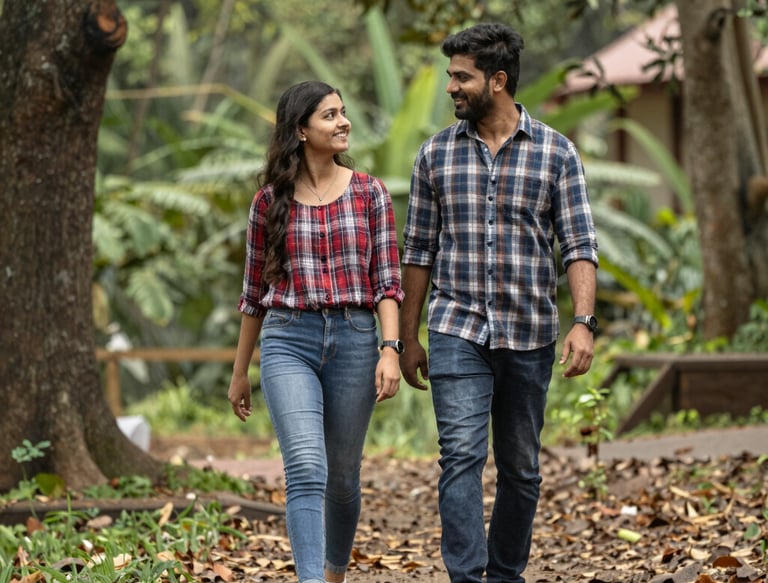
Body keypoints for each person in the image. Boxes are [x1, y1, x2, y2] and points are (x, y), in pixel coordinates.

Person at [399, 23, 599, 583]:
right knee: (460, 454)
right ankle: (468, 576)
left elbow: (579, 245)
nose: (451, 88)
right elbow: (417, 251)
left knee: (521, 468)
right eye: (451, 77)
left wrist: (583, 323)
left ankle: (505, 575)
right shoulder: (435, 155)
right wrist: (407, 336)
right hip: (456, 327)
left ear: (498, 80)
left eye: (461, 77)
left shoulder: (557, 153)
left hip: (529, 332)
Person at [227, 80, 404, 583]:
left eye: (342, 113)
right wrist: (240, 372)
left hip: (354, 339)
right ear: (301, 130)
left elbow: (388, 282)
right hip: (287, 339)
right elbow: (253, 294)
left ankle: (333, 572)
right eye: (329, 115)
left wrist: (389, 350)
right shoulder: (268, 202)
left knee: (343, 479)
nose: (343, 122)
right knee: (306, 467)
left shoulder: (371, 193)